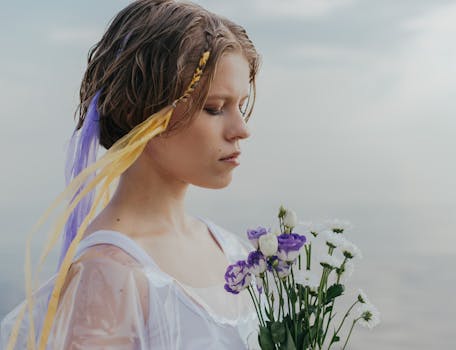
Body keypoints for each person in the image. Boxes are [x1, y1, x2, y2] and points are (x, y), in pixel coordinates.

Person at [0, 0, 262, 349]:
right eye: (214, 108)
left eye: (241, 106)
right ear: (141, 112)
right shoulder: (109, 275)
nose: (241, 129)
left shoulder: (231, 249)